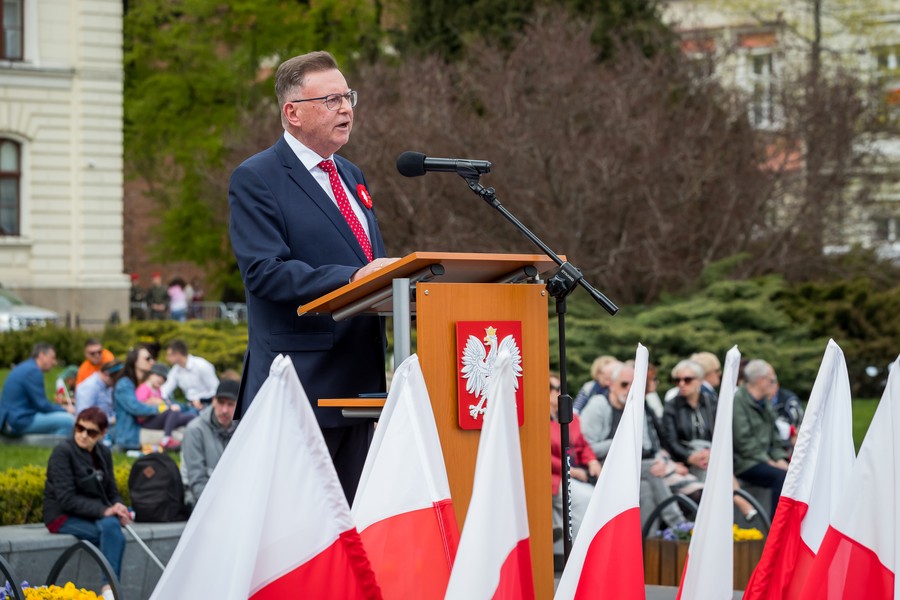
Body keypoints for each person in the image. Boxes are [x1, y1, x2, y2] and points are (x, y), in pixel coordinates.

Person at [228, 50, 398, 503]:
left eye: (348, 97)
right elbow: (264, 273)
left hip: (360, 387)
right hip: (302, 387)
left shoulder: (351, 174)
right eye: (331, 100)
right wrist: (354, 278)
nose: (346, 109)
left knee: (351, 530)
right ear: (293, 113)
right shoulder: (257, 177)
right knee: (298, 531)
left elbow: (369, 260)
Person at [580, 363, 692, 527]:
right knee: (653, 471)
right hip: (604, 466)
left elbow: (647, 445)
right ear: (611, 384)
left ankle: (646, 538)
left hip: (635, 466)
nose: (628, 389)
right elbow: (587, 447)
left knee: (646, 489)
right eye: (624, 384)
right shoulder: (599, 405)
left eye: (632, 385)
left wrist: (659, 459)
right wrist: (620, 442)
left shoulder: (636, 406)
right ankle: (678, 524)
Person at [43, 407, 131, 600]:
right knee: (112, 534)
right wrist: (105, 510)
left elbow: (111, 492)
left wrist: (119, 508)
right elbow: (66, 499)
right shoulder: (62, 452)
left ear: (102, 433)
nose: (83, 435)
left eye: (91, 432)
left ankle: (108, 589)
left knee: (111, 526)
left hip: (92, 514)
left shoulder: (103, 453)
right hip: (62, 516)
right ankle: (111, 589)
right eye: (79, 428)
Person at [733, 359, 789, 512]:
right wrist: (769, 461)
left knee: (794, 475)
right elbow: (742, 441)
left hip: (764, 458)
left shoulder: (764, 402)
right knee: (781, 477)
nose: (775, 384)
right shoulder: (738, 401)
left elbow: (774, 436)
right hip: (746, 463)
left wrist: (779, 458)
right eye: (772, 380)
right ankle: (775, 524)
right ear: (760, 381)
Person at [550, 373, 600, 542]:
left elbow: (583, 445)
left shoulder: (570, 418)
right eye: (551, 388)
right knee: (587, 498)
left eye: (559, 388)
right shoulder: (539, 422)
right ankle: (578, 548)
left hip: (578, 473)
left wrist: (592, 461)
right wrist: (569, 470)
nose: (556, 392)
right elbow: (543, 457)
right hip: (554, 476)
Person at [180, 379, 240, 505]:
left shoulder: (243, 428)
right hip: (202, 502)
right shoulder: (195, 430)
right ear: (213, 401)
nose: (224, 410)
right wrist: (218, 507)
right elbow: (196, 481)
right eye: (221, 403)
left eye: (230, 404)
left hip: (234, 498)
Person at [0, 342, 75, 436]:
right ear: (41, 355)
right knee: (68, 421)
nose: (54, 362)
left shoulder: (26, 366)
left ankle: (51, 443)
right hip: (18, 420)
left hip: (11, 418)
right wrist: (65, 409)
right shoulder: (33, 371)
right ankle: (56, 444)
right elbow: (42, 405)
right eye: (52, 358)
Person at [112, 345, 162, 450]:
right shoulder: (124, 384)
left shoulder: (143, 383)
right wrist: (160, 408)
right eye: (147, 358)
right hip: (131, 436)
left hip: (145, 428)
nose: (152, 362)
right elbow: (136, 408)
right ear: (135, 361)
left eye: (152, 358)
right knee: (178, 436)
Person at [135, 362, 195, 450]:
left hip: (160, 418)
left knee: (190, 416)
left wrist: (165, 404)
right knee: (173, 411)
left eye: (163, 378)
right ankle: (166, 439)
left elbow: (163, 405)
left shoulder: (158, 390)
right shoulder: (144, 388)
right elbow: (139, 408)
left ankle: (193, 438)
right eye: (158, 375)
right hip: (147, 421)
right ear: (150, 375)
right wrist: (154, 403)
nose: (161, 379)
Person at [160, 339, 219, 410]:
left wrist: (203, 401)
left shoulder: (201, 365)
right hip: (189, 404)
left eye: (169, 355)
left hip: (207, 403)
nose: (167, 358)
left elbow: (216, 389)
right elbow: (166, 389)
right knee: (172, 410)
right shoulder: (175, 370)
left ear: (177, 354)